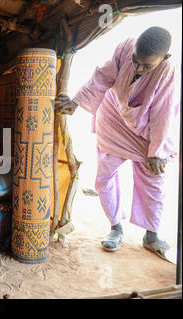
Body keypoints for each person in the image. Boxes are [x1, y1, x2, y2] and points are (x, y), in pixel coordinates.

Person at [55, 26, 180, 260]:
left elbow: (164, 113)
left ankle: (151, 235)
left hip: (146, 128)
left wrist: (156, 151)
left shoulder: (167, 71)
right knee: (104, 175)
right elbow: (103, 76)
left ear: (165, 58)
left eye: (147, 65)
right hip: (112, 115)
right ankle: (115, 228)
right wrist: (77, 102)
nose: (139, 68)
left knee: (153, 176)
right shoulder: (125, 46)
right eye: (136, 61)